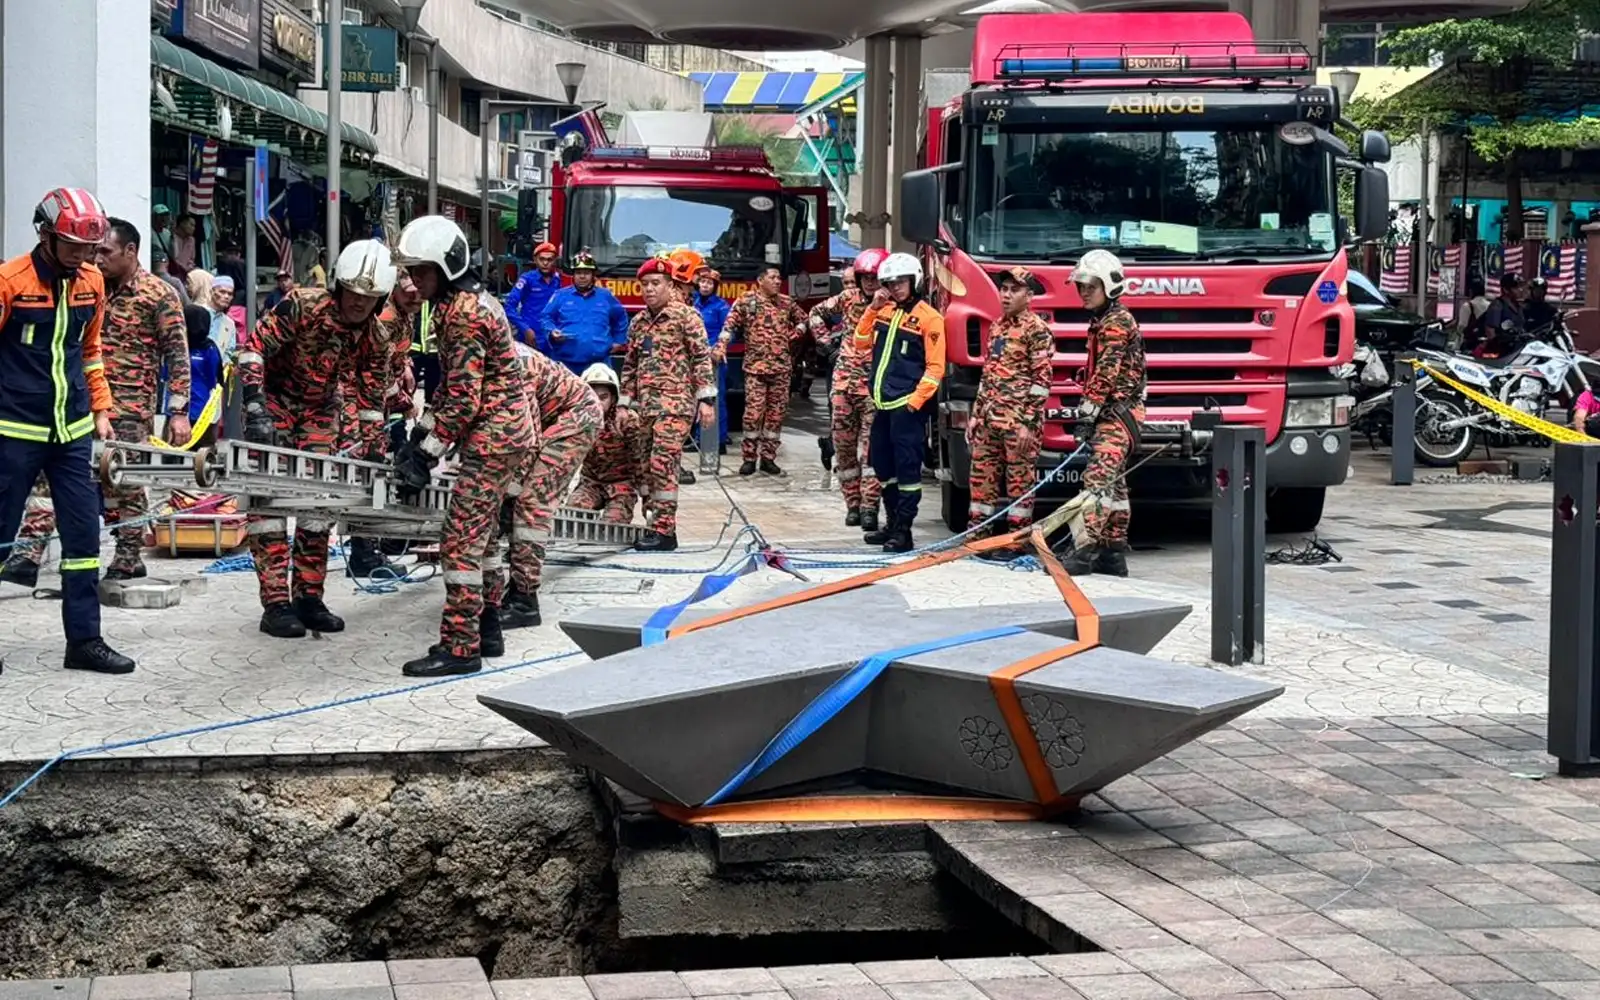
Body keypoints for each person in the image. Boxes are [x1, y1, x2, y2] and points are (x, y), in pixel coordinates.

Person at [2, 216, 195, 585]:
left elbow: (178, 354)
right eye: (95, 251)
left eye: (105, 251)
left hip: (129, 407)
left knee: (121, 481)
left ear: (131, 251)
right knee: (48, 477)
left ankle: (127, 555)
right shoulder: (83, 285)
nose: (97, 259)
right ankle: (28, 552)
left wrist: (178, 412)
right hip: (74, 401)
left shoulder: (159, 294)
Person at [391, 216, 537, 677]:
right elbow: (451, 389)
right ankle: (488, 627)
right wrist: (420, 437)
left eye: (421, 271)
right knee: (486, 536)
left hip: (494, 440)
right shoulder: (470, 303)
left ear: (446, 267)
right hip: (506, 435)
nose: (414, 281)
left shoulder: (463, 314)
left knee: (460, 544)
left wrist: (425, 454)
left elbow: (462, 398)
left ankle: (460, 647)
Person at [0, 188, 136, 674]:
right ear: (45, 235)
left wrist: (101, 407)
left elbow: (90, 349)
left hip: (72, 431)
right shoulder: (9, 282)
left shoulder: (92, 282)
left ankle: (84, 641)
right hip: (13, 431)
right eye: (74, 246)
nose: (84, 256)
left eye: (90, 248)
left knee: (83, 538)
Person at [237, 240, 397, 639]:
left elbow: (372, 400)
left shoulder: (377, 339)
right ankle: (275, 603)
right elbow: (254, 350)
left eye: (369, 298)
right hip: (272, 399)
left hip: (320, 410)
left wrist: (376, 450)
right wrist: (255, 407)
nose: (359, 304)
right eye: (354, 294)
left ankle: (309, 596)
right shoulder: (302, 305)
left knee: (318, 503)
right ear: (339, 287)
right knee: (268, 500)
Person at [499, 343, 604, 629]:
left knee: (531, 503)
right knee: (514, 497)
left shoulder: (515, 366)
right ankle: (513, 587)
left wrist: (512, 489)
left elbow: (527, 438)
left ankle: (524, 601)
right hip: (553, 419)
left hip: (577, 418)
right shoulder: (482, 357)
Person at [619, 255, 717, 552]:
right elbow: (630, 365)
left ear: (670, 285)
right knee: (646, 466)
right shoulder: (638, 323)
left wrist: (707, 401)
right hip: (646, 407)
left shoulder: (687, 317)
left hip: (676, 404)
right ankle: (653, 520)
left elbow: (702, 358)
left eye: (655, 284)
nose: (649, 290)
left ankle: (665, 531)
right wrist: (624, 404)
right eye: (644, 285)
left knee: (663, 463)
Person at [853, 252, 945, 554]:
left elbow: (935, 368)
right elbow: (860, 342)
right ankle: (891, 523)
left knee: (907, 473)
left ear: (914, 281)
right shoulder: (885, 311)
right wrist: (872, 308)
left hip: (907, 407)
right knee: (884, 468)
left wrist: (915, 403)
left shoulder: (930, 318)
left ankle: (904, 531)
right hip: (883, 405)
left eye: (901, 282)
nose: (896, 289)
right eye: (890, 284)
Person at [1061, 249, 1144, 578]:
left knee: (1096, 483)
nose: (1083, 292)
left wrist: (1086, 416)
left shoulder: (1114, 324)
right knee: (1116, 487)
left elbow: (1106, 374)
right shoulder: (1105, 321)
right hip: (1118, 414)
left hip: (1116, 416)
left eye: (1090, 286)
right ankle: (1112, 553)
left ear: (1109, 286)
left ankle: (1081, 553)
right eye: (1080, 286)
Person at [967, 267, 1053, 558]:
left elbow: (1042, 383)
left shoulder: (1037, 331)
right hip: (990, 420)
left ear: (1029, 296)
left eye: (1014, 289)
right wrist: (977, 414)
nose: (1006, 294)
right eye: (1004, 288)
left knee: (1019, 484)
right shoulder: (997, 326)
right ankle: (979, 538)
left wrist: (1028, 423)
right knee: (981, 480)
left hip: (1018, 423)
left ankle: (1017, 542)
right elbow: (988, 374)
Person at [338, 273, 419, 578]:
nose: (415, 298)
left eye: (418, 294)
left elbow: (396, 358)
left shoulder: (404, 313)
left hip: (375, 408)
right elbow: (377, 376)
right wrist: (402, 401)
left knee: (375, 473)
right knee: (370, 476)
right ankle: (363, 552)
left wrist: (406, 367)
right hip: (359, 409)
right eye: (408, 293)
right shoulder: (384, 318)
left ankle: (369, 545)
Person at [810, 248, 887, 529]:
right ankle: (852, 505)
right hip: (843, 386)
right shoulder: (847, 298)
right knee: (844, 450)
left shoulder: (892, 306)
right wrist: (826, 344)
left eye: (874, 277)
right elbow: (816, 313)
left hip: (873, 390)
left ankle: (869, 507)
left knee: (871, 452)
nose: (868, 283)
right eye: (864, 277)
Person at [723, 264, 807, 476]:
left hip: (781, 369)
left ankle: (768, 458)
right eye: (773, 278)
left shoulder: (786, 303)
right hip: (755, 369)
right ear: (760, 280)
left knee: (775, 416)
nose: (778, 281)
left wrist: (796, 332)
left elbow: (804, 320)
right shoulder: (746, 301)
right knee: (753, 415)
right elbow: (730, 325)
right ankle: (749, 458)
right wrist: (721, 345)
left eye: (779, 278)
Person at [569, 363, 646, 524]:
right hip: (590, 483)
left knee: (612, 525)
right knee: (572, 516)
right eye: (593, 397)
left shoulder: (628, 421)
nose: (598, 403)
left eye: (603, 397)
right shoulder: (577, 420)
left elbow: (641, 462)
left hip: (621, 485)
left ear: (613, 398)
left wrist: (648, 501)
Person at [537, 250, 629, 373]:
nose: (582, 276)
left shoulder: (606, 296)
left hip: (599, 363)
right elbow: (545, 317)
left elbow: (621, 317)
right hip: (565, 363)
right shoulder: (560, 295)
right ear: (573, 275)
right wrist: (551, 331)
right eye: (578, 273)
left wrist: (619, 340)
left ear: (593, 275)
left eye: (586, 273)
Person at [690, 268, 732, 456]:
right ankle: (698, 438)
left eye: (709, 283)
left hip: (714, 359)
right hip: (695, 358)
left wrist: (716, 348)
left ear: (715, 287)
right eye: (703, 282)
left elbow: (729, 331)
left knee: (716, 400)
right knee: (696, 400)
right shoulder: (694, 304)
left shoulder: (721, 307)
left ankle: (720, 440)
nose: (705, 286)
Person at [504, 242, 562, 344]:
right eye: (542, 259)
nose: (545, 263)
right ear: (535, 260)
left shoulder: (558, 280)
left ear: (555, 261)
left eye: (549, 260)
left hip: (552, 338)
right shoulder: (526, 279)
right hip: (530, 338)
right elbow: (509, 307)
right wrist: (525, 329)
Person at [184, 303, 224, 447]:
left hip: (202, 411)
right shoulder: (178, 346)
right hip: (177, 411)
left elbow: (216, 379)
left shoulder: (209, 348)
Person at [1466, 272, 1526, 358]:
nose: (1521, 290)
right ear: (1506, 290)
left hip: (1516, 350)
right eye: (1516, 287)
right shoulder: (1497, 305)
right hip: (1500, 353)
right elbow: (1490, 331)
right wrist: (1498, 348)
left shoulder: (1518, 307)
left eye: (1521, 286)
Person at [1453, 275, 1489, 350]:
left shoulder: (1467, 306)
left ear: (1471, 292)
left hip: (1470, 345)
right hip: (1487, 343)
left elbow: (1461, 327)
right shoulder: (1491, 306)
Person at [209, 275, 240, 355]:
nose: (226, 296)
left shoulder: (229, 323)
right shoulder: (199, 314)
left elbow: (229, 351)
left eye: (230, 294)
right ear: (212, 292)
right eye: (222, 292)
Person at [170, 213, 198, 279]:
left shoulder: (191, 240)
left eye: (194, 226)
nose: (193, 228)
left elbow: (191, 259)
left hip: (188, 273)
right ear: (182, 224)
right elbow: (173, 259)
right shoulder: (172, 237)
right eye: (191, 225)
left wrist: (190, 267)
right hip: (174, 273)